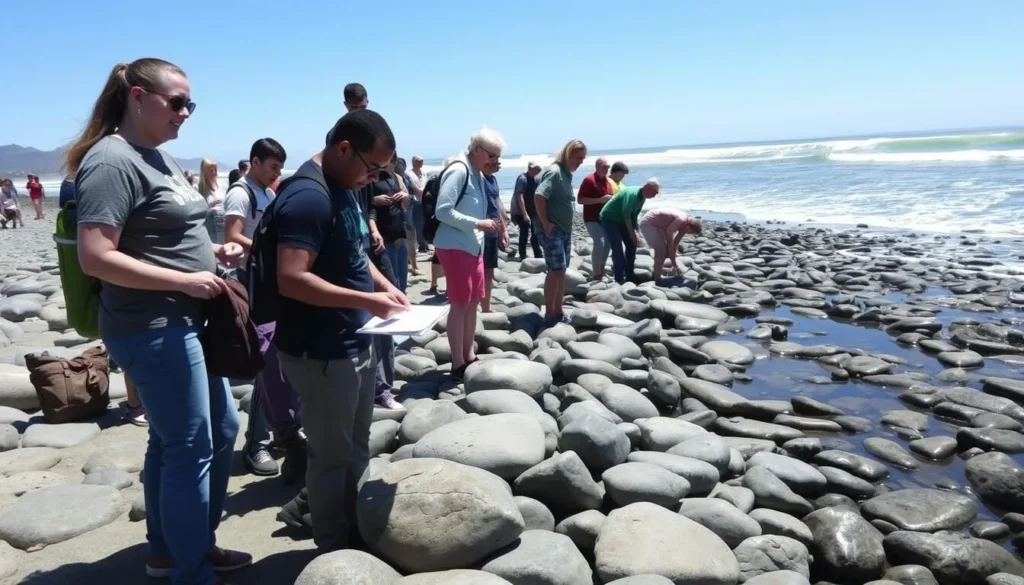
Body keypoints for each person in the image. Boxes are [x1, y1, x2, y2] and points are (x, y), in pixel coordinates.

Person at [67, 58, 249, 585]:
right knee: (191, 442)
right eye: (177, 102)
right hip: (152, 327)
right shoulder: (110, 161)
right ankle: (191, 569)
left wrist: (211, 252)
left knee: (203, 433)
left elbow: (162, 234)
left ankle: (171, 550)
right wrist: (183, 281)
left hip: (185, 319)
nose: (186, 112)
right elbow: (95, 255)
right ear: (138, 97)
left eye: (191, 103)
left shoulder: (157, 157)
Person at [273, 109, 406, 552]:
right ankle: (333, 549)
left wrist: (385, 286)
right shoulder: (308, 197)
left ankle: (353, 525)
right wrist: (369, 301)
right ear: (344, 149)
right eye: (373, 168)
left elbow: (352, 249)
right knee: (331, 458)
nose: (375, 178)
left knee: (357, 444)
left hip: (356, 339)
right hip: (321, 351)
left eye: (383, 172)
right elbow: (291, 278)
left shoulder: (346, 185)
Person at [223, 138, 296, 477]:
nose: (276, 174)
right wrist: (271, 253)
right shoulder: (242, 192)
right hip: (252, 288)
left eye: (280, 168)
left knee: (281, 367)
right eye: (272, 168)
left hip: (271, 287)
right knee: (264, 368)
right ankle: (256, 446)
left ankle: (283, 433)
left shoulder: (267, 191)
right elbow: (233, 235)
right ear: (255, 162)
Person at [434, 128, 506, 380]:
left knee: (473, 302)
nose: (496, 162)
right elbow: (442, 211)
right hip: (455, 246)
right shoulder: (459, 170)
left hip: (472, 246)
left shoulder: (477, 172)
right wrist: (478, 224)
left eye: (498, 157)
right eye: (492, 156)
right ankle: (457, 362)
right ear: (476, 150)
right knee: (460, 303)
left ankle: (468, 355)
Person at [536, 139, 587, 324]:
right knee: (555, 270)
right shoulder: (554, 172)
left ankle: (558, 310)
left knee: (562, 270)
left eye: (583, 159)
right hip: (553, 230)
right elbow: (539, 196)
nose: (581, 162)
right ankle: (550, 313)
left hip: (564, 230)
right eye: (578, 158)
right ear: (568, 154)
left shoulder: (566, 174)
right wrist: (546, 223)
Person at [600, 179, 661, 284]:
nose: (655, 195)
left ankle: (629, 275)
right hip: (609, 218)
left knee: (632, 244)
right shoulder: (632, 194)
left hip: (622, 219)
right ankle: (619, 278)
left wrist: (636, 231)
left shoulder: (643, 197)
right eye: (654, 192)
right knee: (617, 248)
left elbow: (634, 215)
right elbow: (626, 214)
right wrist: (631, 233)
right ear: (647, 187)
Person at [639, 207, 702, 284]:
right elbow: (670, 234)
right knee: (661, 251)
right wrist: (670, 251)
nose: (688, 234)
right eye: (690, 232)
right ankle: (657, 279)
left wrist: (674, 262)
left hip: (659, 225)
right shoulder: (681, 219)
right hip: (649, 223)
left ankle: (659, 270)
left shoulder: (684, 226)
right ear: (688, 225)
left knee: (667, 251)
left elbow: (675, 243)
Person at [577, 158, 614, 280]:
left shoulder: (608, 182)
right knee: (599, 242)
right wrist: (599, 200)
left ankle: (601, 269)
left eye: (608, 167)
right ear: (597, 167)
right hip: (591, 218)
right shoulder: (589, 180)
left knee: (608, 244)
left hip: (605, 219)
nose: (606, 169)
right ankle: (596, 272)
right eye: (604, 167)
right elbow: (580, 200)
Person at [481, 161, 509, 312]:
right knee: (477, 271)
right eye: (495, 161)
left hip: (492, 231)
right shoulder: (477, 178)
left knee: (489, 272)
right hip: (478, 231)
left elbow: (497, 204)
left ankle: (486, 306)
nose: (499, 164)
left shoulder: (493, 180)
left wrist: (503, 230)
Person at [509, 162, 542, 259]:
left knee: (535, 233)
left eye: (538, 169)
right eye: (535, 169)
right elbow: (520, 196)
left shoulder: (536, 179)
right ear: (529, 168)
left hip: (533, 210)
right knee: (524, 233)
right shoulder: (522, 179)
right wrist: (524, 214)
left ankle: (538, 255)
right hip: (521, 211)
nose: (537, 171)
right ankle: (523, 256)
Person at [405, 155, 429, 266]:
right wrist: (426, 190)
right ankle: (422, 246)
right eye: (419, 161)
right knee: (418, 225)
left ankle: (424, 244)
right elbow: (418, 191)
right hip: (416, 202)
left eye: (422, 161)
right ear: (414, 161)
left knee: (424, 223)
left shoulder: (423, 173)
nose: (421, 162)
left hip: (425, 202)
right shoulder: (410, 174)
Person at [197, 159, 224, 244]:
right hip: (208, 228)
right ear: (204, 172)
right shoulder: (198, 188)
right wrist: (210, 205)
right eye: (212, 170)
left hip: (222, 226)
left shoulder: (222, 186)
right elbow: (196, 211)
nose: (215, 172)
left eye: (216, 169)